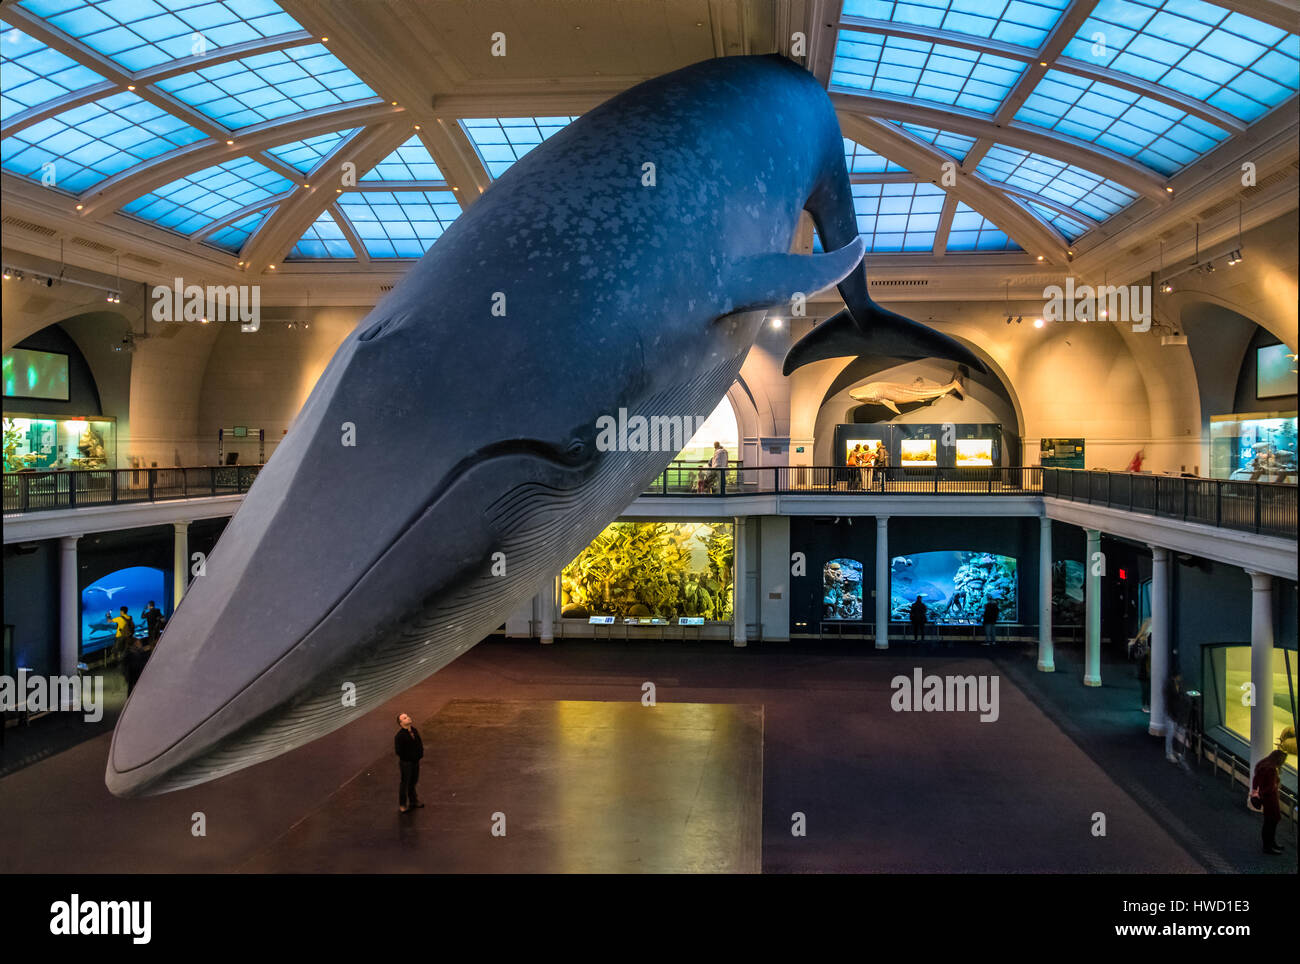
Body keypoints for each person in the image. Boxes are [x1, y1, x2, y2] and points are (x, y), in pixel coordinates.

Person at [1251, 748, 1287, 855]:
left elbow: (1255, 779)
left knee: (1269, 822)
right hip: (1270, 799)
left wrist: (1255, 791)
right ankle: (1268, 846)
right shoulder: (1271, 769)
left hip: (1266, 799)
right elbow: (1270, 787)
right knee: (1271, 822)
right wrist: (1276, 784)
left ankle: (1271, 843)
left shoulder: (1262, 764)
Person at [394, 712, 425, 813]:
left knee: (413, 782)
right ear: (401, 723)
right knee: (405, 784)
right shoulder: (399, 736)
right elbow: (399, 751)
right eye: (405, 718)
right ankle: (402, 805)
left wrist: (420, 754)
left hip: (415, 761)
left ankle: (413, 801)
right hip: (406, 763)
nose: (408, 718)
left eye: (407, 716)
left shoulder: (414, 730)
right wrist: (410, 757)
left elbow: (419, 743)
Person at [1163, 673, 1185, 763]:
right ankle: (1169, 754)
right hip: (1170, 713)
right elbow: (1169, 702)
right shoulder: (1169, 687)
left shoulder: (1179, 686)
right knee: (1170, 734)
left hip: (1176, 713)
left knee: (1179, 732)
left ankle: (1176, 752)